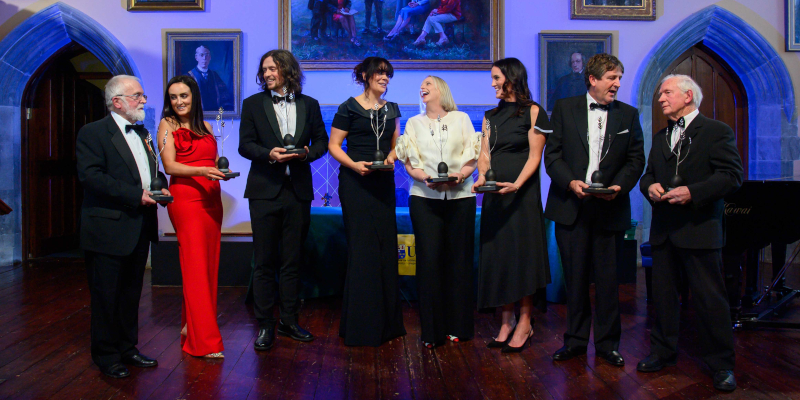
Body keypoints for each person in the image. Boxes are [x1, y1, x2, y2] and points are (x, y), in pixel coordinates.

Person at [638, 74, 743, 392]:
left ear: (688, 96)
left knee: (710, 299)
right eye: (659, 94)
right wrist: (650, 186)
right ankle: (662, 351)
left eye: (666, 92)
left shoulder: (716, 131)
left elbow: (732, 176)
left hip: (699, 230)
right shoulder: (660, 136)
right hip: (664, 231)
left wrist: (692, 192)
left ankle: (722, 364)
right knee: (664, 298)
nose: (660, 98)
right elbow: (648, 175)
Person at [544, 53, 645, 367]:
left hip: (609, 208)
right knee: (574, 281)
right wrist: (571, 182)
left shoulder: (628, 115)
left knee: (607, 282)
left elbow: (636, 160)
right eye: (612, 78)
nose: (617, 84)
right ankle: (574, 342)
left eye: (619, 79)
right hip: (570, 207)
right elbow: (553, 157)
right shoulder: (564, 108)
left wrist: (619, 187)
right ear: (592, 79)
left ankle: (607, 345)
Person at [76, 75, 168, 378]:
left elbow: (152, 170)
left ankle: (128, 349)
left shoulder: (144, 133)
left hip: (139, 226)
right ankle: (106, 356)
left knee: (130, 294)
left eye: (142, 95)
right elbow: (92, 177)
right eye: (137, 95)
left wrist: (161, 188)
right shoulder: (93, 133)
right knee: (106, 296)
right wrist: (135, 195)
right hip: (107, 228)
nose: (143, 100)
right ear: (117, 102)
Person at [239, 49, 330, 351]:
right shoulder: (252, 104)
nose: (266, 74)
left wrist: (305, 153)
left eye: (272, 69)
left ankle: (289, 321)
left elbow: (321, 143)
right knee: (264, 263)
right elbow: (245, 145)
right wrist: (268, 154)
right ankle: (265, 325)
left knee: (293, 261)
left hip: (298, 191)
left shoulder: (311, 104)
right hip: (264, 191)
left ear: (287, 70)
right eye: (263, 69)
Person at [471, 58, 552, 353]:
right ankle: (505, 321)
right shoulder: (490, 115)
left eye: (496, 78)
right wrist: (482, 178)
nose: (492, 83)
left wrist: (516, 184)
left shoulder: (534, 112)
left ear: (511, 78)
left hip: (521, 197)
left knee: (522, 257)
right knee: (500, 256)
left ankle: (525, 321)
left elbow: (535, 157)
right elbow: (485, 153)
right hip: (495, 196)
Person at [395, 76, 479, 348]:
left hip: (461, 197)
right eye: (421, 84)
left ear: (441, 89)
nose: (423, 87)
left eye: (429, 83)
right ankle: (431, 331)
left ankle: (459, 328)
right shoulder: (413, 123)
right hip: (424, 198)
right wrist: (425, 178)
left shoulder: (462, 118)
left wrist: (461, 175)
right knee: (429, 264)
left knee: (460, 263)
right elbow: (409, 161)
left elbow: (472, 155)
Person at [329, 57, 406, 346]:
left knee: (385, 247)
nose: (385, 78)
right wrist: (353, 165)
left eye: (388, 74)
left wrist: (391, 157)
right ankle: (361, 325)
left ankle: (387, 325)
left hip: (382, 182)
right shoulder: (347, 108)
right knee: (362, 250)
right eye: (380, 73)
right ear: (364, 75)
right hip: (355, 182)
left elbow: (396, 142)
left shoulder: (392, 109)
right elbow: (333, 145)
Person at [157, 75, 226, 359]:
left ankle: (190, 325)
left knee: (208, 266)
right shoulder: (167, 125)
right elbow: (170, 165)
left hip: (212, 200)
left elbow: (212, 161)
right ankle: (205, 342)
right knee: (195, 267)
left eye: (184, 96)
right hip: (186, 200)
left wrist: (217, 172)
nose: (179, 102)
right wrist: (200, 171)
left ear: (194, 96)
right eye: (173, 97)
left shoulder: (207, 126)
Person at [188, 45, 234, 112]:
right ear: (196, 57)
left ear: (210, 57)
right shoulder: (189, 76)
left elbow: (224, 95)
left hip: (214, 114)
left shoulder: (215, 75)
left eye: (207, 55)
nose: (204, 58)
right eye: (201, 55)